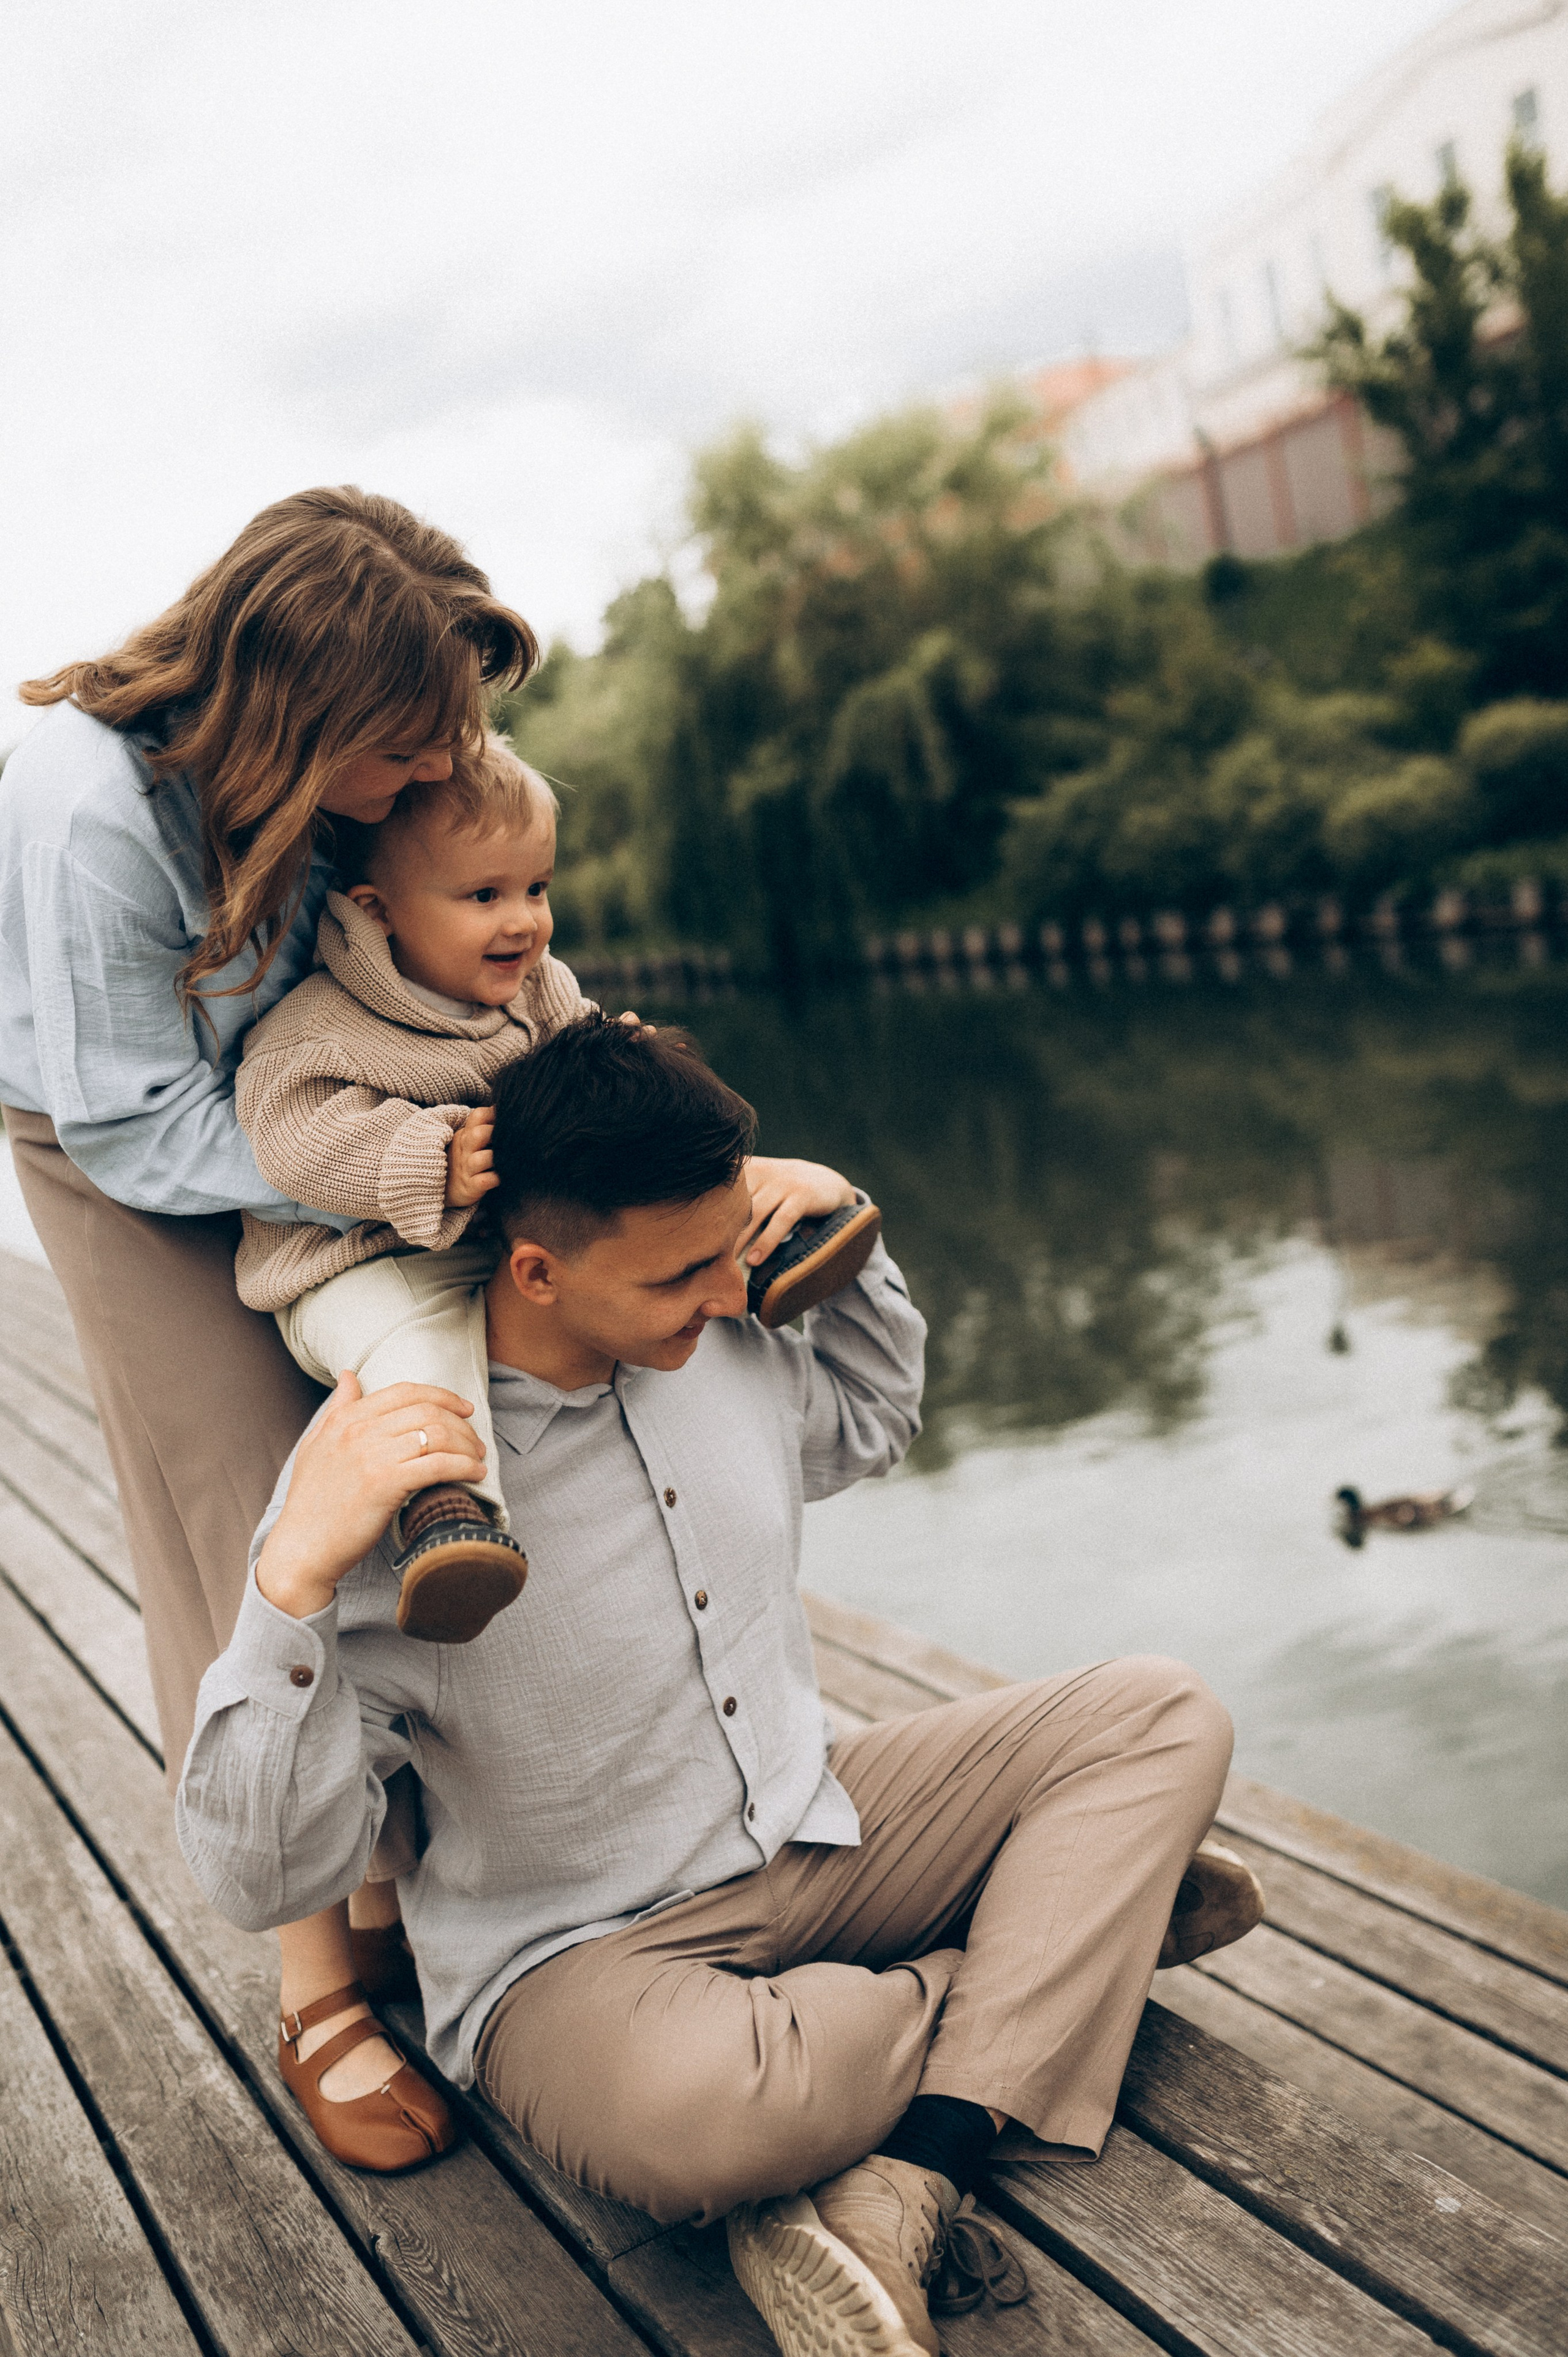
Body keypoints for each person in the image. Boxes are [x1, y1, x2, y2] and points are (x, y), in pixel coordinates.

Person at [176, 1016, 1260, 2357]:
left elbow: (868, 1418)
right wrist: (285, 1585)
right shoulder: (405, 1482)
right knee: (707, 2122)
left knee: (1157, 1710)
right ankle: (1051, 1963)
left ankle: (917, 2150)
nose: (724, 1286)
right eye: (681, 1271)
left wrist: (843, 1223)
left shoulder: (718, 1336)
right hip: (580, 1958)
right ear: (537, 1267)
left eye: (729, 1240)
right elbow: (256, 1876)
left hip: (817, 1827)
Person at [0, 485, 534, 2168]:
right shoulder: (90, 813)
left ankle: (405, 1873)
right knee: (253, 1485)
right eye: (400, 752)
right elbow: (136, 1122)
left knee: (445, 1415)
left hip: (292, 1095)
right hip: (109, 1132)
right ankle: (319, 1981)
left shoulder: (344, 786)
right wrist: (388, 1175)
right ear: (294, 717)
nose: (425, 787)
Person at [233, 734, 581, 1644]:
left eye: (536, 888)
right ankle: (444, 1510)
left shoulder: (538, 992)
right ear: (376, 912)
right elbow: (293, 1138)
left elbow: (578, 1055)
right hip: (352, 1265)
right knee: (417, 1344)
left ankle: (756, 1250)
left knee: (642, 1209)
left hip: (487, 1245)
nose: (525, 922)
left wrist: (625, 1069)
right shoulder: (321, 1029)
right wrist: (430, 1157)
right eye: (484, 897)